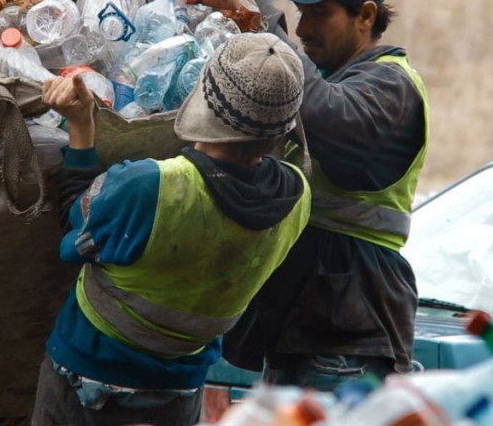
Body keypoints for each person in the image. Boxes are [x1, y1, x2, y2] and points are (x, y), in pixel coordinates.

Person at [30, 33, 311, 426]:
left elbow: (74, 226)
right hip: (180, 391)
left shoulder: (149, 186)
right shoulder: (297, 195)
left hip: (88, 380)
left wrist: (80, 126)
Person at [223, 0, 430, 391]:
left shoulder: (391, 85)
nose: (303, 29)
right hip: (307, 323)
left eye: (319, 14)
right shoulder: (335, 77)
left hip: (350, 331)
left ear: (366, 15)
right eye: (298, 13)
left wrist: (266, 26)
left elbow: (320, 111)